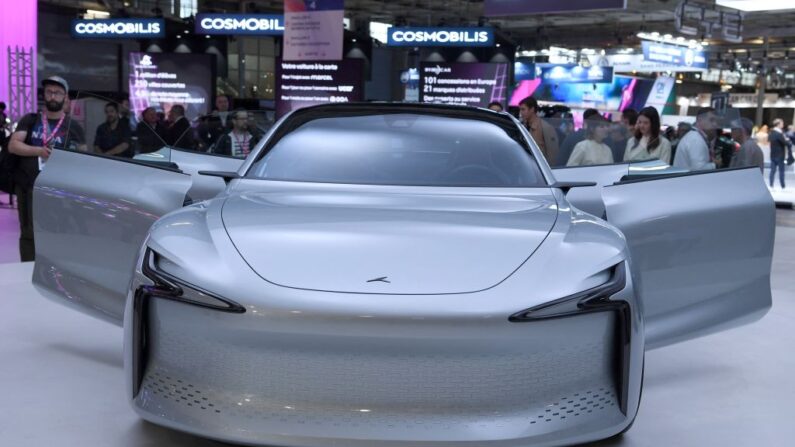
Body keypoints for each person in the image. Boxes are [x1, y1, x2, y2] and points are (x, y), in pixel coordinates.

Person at [7, 75, 85, 261]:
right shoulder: (30, 120)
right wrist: (39, 151)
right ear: (44, 95)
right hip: (28, 185)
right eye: (49, 92)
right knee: (28, 231)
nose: (52, 96)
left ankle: (53, 270)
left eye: (57, 93)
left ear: (65, 97)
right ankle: (26, 271)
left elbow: (82, 157)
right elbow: (13, 145)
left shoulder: (72, 126)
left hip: (59, 188)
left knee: (58, 230)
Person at [518, 96, 559, 164]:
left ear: (532, 109)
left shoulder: (546, 127)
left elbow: (553, 154)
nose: (521, 113)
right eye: (520, 109)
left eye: (523, 109)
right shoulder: (522, 126)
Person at [769, 118, 791, 189]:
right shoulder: (779, 133)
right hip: (780, 155)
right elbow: (784, 142)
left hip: (773, 154)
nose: (783, 125)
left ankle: (771, 184)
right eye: (782, 123)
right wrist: (788, 142)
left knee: (772, 170)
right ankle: (783, 186)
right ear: (778, 124)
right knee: (781, 171)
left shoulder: (771, 133)